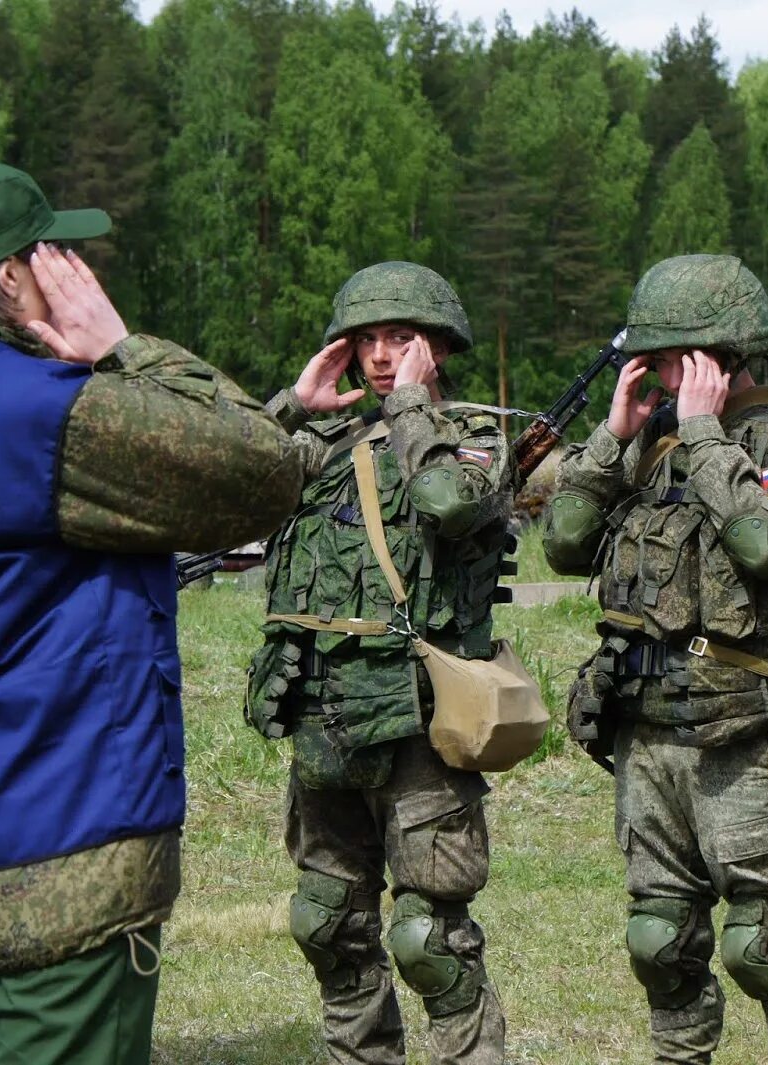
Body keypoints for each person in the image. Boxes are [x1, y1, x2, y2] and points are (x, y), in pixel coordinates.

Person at [0, 161, 303, 1063]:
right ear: (9, 275)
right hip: (62, 857)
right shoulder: (40, 412)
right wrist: (123, 346)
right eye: (55, 253)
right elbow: (261, 469)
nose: (72, 267)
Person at [543, 254, 768, 1065]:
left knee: (763, 948)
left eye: (676, 359)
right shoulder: (646, 448)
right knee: (660, 941)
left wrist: (711, 433)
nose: (661, 377)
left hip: (747, 737)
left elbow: (765, 541)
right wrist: (614, 432)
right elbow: (564, 542)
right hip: (645, 737)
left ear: (728, 357)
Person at [244, 262, 513, 1065]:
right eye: (366, 341)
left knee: (429, 937)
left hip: (419, 723)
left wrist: (409, 411)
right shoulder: (320, 444)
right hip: (323, 719)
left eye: (401, 339)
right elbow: (229, 478)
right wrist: (294, 402)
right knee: (328, 920)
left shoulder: (474, 434)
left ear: (437, 345)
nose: (382, 355)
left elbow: (445, 501)